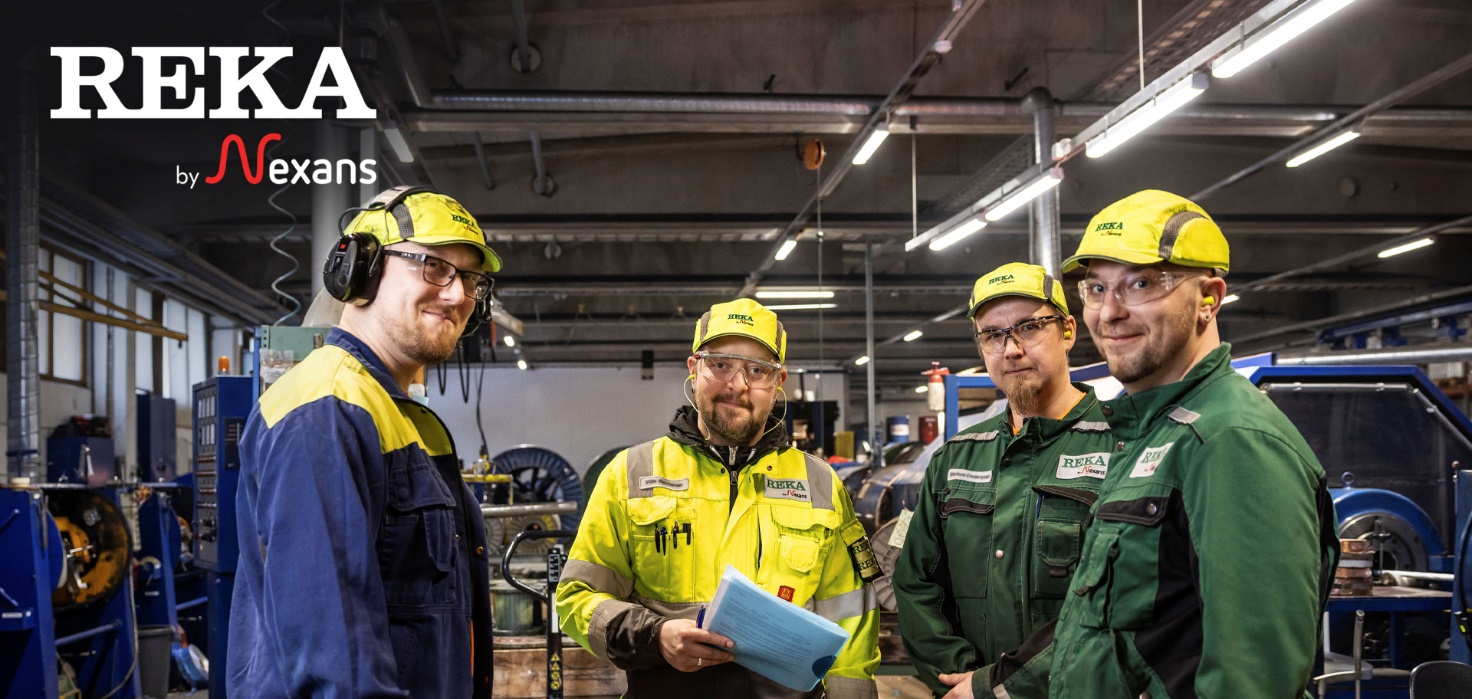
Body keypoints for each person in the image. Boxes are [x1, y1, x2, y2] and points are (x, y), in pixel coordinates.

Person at [986, 190, 1339, 698]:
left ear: (1210, 298)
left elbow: (1252, 682)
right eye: (1097, 288)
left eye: (1142, 284)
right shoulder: (1152, 432)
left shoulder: (1230, 441)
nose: (1109, 313)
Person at [230, 186, 502, 698]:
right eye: (434, 266)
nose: (458, 295)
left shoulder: (397, 415)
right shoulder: (326, 411)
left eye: (471, 279)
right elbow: (335, 663)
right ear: (361, 270)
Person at [556, 299, 881, 698]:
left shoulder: (820, 484)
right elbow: (576, 599)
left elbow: (853, 621)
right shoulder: (631, 474)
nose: (738, 385)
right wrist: (654, 636)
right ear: (694, 369)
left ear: (779, 381)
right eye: (721, 364)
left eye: (757, 370)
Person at [892, 262, 1115, 699]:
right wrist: (963, 681)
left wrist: (1003, 687)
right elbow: (916, 584)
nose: (1010, 349)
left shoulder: (1121, 447)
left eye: (1029, 327)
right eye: (992, 335)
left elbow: (1121, 605)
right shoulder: (956, 457)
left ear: (1068, 331)